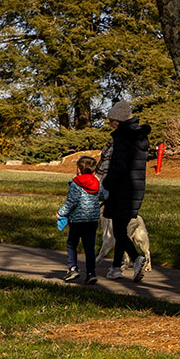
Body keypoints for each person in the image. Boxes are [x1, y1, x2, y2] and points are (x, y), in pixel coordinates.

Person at [98, 100, 152, 282]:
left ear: (119, 120)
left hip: (121, 189)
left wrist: (106, 186)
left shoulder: (122, 138)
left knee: (119, 231)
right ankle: (115, 268)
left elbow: (118, 166)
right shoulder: (139, 138)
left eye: (112, 120)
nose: (110, 124)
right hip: (135, 189)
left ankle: (136, 259)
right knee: (121, 228)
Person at [57, 156, 108, 284]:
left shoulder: (76, 183)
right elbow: (104, 195)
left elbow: (71, 202)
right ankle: (91, 273)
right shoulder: (96, 182)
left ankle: (73, 269)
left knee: (72, 244)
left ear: (79, 170)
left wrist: (60, 213)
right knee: (89, 247)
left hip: (77, 220)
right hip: (91, 220)